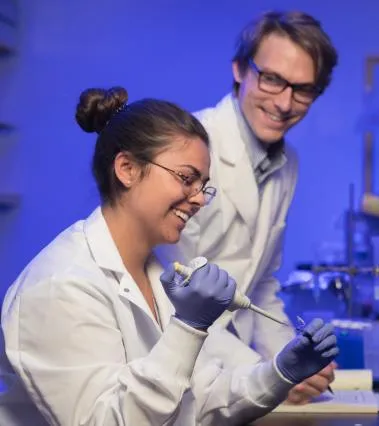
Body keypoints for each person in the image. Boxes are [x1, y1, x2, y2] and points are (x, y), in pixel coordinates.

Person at [0, 87, 339, 426]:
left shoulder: (154, 276)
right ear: (128, 169)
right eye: (186, 178)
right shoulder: (62, 287)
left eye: (203, 185)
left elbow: (202, 400)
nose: (199, 199)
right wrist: (188, 328)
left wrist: (280, 373)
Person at [157, 10, 339, 405]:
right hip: (178, 361)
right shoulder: (189, 146)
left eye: (303, 89)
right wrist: (272, 372)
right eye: (272, 79)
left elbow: (263, 284)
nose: (285, 102)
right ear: (240, 69)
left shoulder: (287, 162)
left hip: (229, 368)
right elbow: (173, 291)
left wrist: (291, 361)